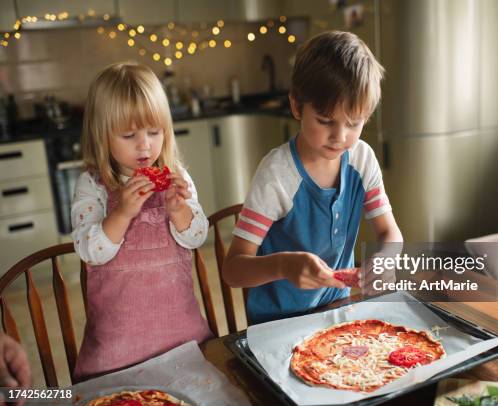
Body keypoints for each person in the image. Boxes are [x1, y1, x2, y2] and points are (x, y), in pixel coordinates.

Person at [223, 31, 403, 324]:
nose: (340, 137)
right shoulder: (277, 175)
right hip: (278, 323)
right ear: (296, 106)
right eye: (325, 121)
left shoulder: (361, 158)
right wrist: (283, 266)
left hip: (338, 309)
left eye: (353, 123)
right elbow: (233, 270)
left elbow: (390, 233)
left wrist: (387, 258)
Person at [71, 62, 213, 379]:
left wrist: (179, 211)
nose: (144, 144)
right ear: (102, 136)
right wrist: (121, 213)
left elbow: (198, 236)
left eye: (154, 131)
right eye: (128, 134)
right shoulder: (92, 184)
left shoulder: (176, 176)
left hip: (183, 341)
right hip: (116, 353)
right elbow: (89, 250)